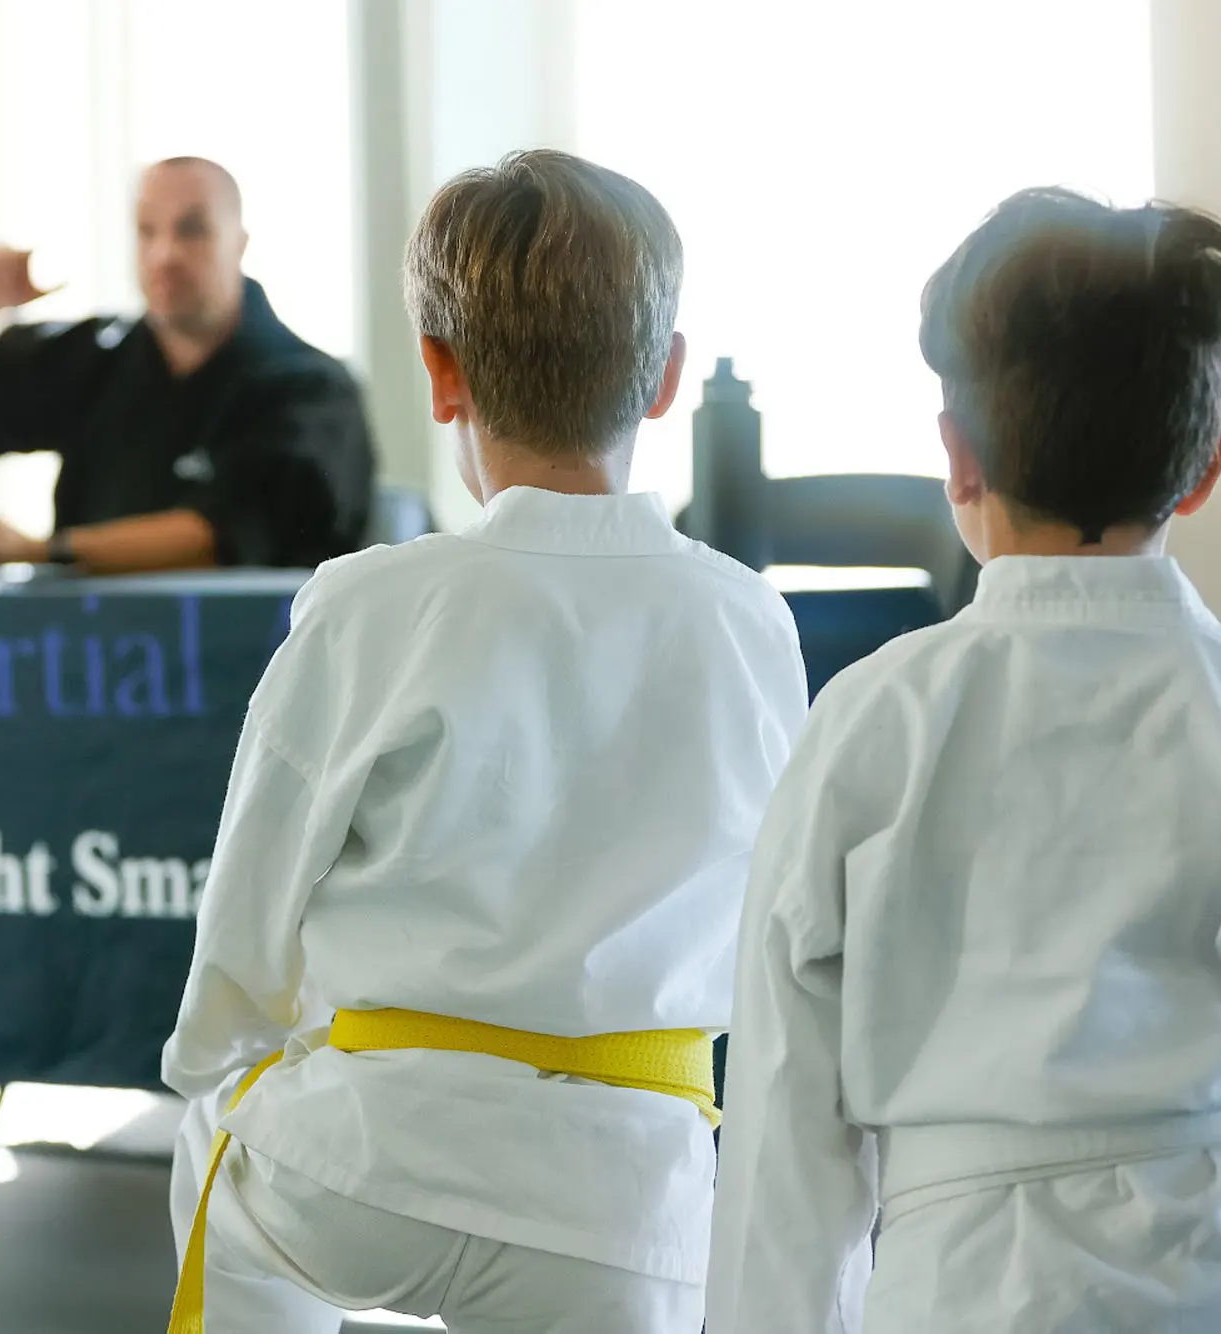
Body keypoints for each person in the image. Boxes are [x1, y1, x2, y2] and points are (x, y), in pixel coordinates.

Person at [160, 151, 808, 1333]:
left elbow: (256, 889)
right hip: (629, 1209)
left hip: (369, 1169)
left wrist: (218, 1059)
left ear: (438, 373)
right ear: (664, 379)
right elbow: (779, 917)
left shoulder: (370, 601)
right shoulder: (747, 619)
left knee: (212, 1136)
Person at [707, 190, 1221, 1333]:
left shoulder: (874, 716)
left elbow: (781, 1113)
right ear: (1203, 467)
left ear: (954, 458)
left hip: (962, 1287)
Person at [0, 156, 376, 576]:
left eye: (192, 230)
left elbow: (213, 538)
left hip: (254, 665)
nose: (164, 254)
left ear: (239, 242)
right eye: (146, 231)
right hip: (96, 663)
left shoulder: (311, 388)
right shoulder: (99, 358)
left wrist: (40, 552)